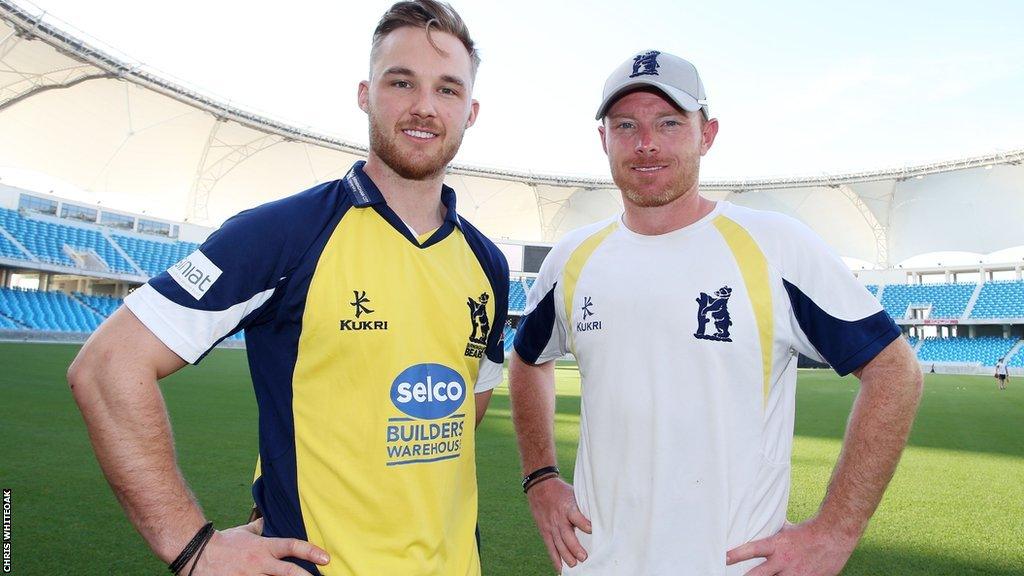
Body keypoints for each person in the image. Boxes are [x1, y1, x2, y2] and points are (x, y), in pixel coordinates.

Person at [67, 2, 509, 575]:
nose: (424, 106)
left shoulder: (487, 264)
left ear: (470, 111)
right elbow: (107, 366)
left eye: (447, 90)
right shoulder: (283, 235)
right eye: (401, 82)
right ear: (365, 94)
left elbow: (464, 405)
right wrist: (193, 547)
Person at [508, 50, 923, 576]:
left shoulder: (775, 246)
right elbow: (526, 360)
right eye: (626, 125)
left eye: (669, 123)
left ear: (708, 134)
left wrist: (834, 531)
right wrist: (540, 477)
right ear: (603, 139)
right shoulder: (571, 258)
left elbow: (895, 370)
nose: (646, 143)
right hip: (597, 565)